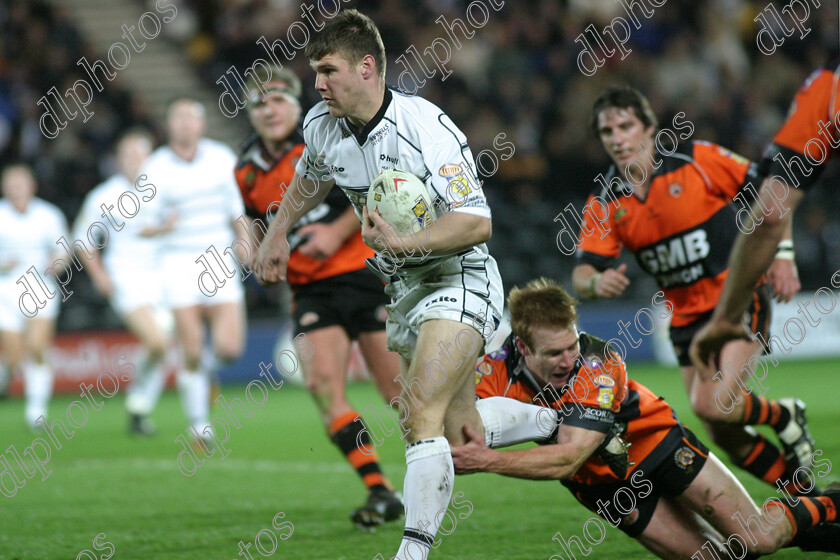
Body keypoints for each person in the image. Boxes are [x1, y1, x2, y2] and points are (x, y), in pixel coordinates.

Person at [251, 10, 556, 559]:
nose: (316, 85)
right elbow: (311, 177)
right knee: (464, 433)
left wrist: (404, 245)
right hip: (405, 290)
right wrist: (276, 232)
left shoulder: (426, 127)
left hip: (460, 276)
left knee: (417, 408)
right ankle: (567, 419)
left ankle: (411, 552)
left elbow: (477, 222)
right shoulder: (322, 125)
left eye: (327, 70)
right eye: (314, 72)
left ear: (367, 67)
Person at [453, 277, 840, 558]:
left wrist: (489, 460)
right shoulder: (493, 374)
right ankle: (823, 536)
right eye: (554, 353)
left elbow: (569, 455)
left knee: (757, 540)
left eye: (572, 345)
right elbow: (457, 428)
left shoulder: (599, 362)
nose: (568, 360)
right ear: (521, 346)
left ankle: (831, 501)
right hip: (604, 487)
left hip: (657, 443)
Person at [571, 85, 816, 496]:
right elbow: (581, 273)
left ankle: (783, 416)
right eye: (607, 131)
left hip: (737, 298)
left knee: (711, 405)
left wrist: (784, 253)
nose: (617, 137)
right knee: (724, 436)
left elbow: (774, 191)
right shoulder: (605, 202)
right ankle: (806, 496)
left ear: (649, 128)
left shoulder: (698, 160)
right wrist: (596, 282)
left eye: (625, 125)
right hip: (685, 320)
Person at [235, 66, 403, 527]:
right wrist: (256, 251)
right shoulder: (246, 170)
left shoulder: (328, 139)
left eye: (278, 101)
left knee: (398, 394)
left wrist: (336, 231)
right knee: (321, 386)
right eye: (259, 104)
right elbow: (255, 222)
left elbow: (378, 191)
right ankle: (381, 491)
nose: (269, 111)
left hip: (363, 275)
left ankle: (443, 469)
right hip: (309, 290)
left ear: (296, 105)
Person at [691, 60, 840, 368]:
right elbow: (770, 201)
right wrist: (783, 252)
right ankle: (726, 321)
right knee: (770, 211)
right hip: (830, 95)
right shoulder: (826, 90)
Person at [140, 98, 248, 441]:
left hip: (218, 258)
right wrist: (162, 227)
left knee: (230, 348)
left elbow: (237, 211)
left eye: (192, 117)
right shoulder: (155, 167)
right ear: (169, 124)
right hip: (177, 262)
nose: (186, 123)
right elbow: (141, 225)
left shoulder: (220, 158)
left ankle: (205, 374)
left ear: (201, 124)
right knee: (191, 348)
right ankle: (199, 423)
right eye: (179, 117)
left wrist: (245, 241)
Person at [72, 128, 170, 435]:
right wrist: (99, 275)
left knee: (162, 346)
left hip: (165, 276)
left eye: (141, 154)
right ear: (118, 160)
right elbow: (83, 239)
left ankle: (139, 408)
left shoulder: (165, 190)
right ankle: (138, 402)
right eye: (129, 155)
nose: (136, 160)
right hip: (125, 276)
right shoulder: (104, 195)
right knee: (156, 341)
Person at [0, 164, 69, 427]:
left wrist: (56, 264)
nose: (16, 189)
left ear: (32, 186)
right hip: (5, 288)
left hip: (40, 285)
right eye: (11, 183)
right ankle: (6, 375)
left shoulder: (48, 215)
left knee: (38, 347)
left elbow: (63, 250)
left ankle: (36, 412)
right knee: (15, 356)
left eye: (21, 183)